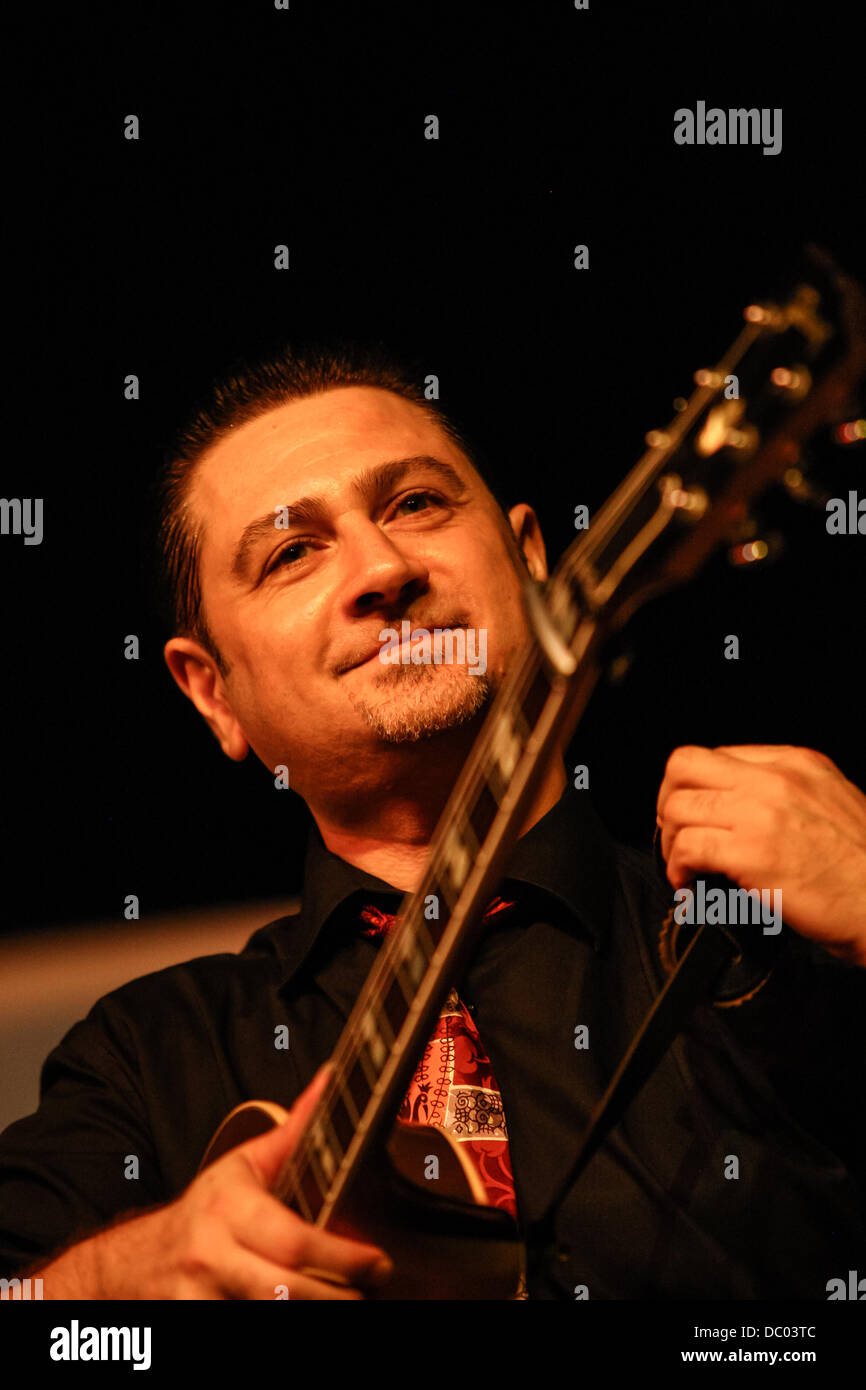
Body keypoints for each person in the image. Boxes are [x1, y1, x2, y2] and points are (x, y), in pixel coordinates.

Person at [1, 343, 864, 1300]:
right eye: (293, 552)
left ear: (532, 560)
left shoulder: (777, 924)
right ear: (213, 696)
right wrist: (115, 1280)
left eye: (415, 504)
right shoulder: (146, 1055)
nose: (383, 568)